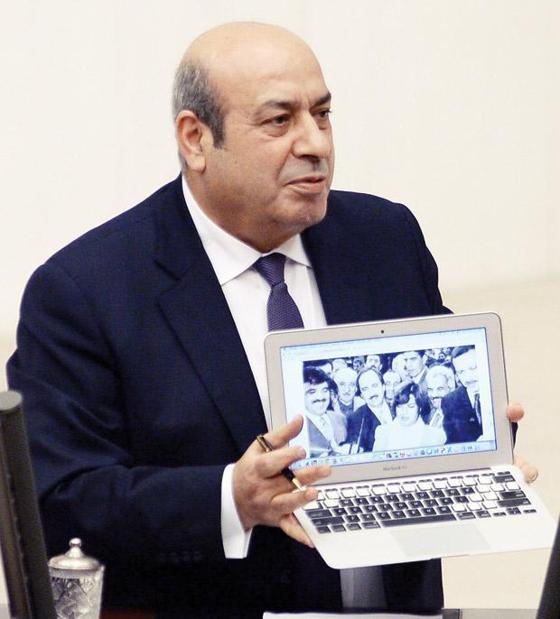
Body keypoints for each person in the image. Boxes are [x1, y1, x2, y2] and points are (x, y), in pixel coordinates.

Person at [6, 21, 535, 617]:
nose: (316, 144)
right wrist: (232, 497)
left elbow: (417, 419)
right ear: (196, 139)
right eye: (279, 121)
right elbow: (58, 503)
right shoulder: (87, 290)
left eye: (323, 114)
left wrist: (472, 440)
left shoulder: (384, 239)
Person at [374, 382, 446, 451]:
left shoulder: (435, 436)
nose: (404, 412)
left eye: (411, 406)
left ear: (420, 408)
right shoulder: (382, 432)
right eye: (399, 406)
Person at [442, 345, 483, 443]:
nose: (468, 377)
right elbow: (451, 441)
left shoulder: (498, 391)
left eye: (473, 368)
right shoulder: (450, 401)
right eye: (461, 372)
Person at [346, 368, 392, 452]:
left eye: (374, 386)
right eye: (365, 389)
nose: (371, 393)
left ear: (383, 386)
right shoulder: (356, 418)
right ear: (361, 395)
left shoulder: (398, 408)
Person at [303, 367, 346, 455]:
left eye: (325, 390)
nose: (320, 397)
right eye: (312, 392)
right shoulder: (299, 426)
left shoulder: (340, 418)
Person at [425, 363, 456, 428]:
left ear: (451, 388)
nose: (434, 395)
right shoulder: (432, 414)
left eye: (440, 389)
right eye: (430, 389)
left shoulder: (457, 416)